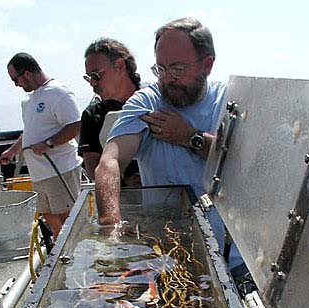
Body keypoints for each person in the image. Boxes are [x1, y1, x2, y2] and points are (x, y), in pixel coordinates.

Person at [95, 17, 242, 269]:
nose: (166, 79)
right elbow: (110, 162)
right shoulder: (148, 103)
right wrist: (111, 224)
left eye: (177, 69)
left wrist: (191, 138)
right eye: (160, 69)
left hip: (232, 256)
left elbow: (246, 163)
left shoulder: (230, 101)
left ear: (207, 65)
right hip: (170, 257)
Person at [0, 52, 82, 238]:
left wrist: (48, 144)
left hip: (60, 170)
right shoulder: (29, 101)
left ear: (27, 74)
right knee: (50, 217)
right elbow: (29, 132)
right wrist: (12, 151)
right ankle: (62, 252)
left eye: (15, 79)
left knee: (68, 220)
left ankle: (75, 255)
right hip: (39, 175)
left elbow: (75, 125)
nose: (16, 85)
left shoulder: (59, 93)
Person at [79, 38, 141, 186]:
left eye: (96, 75)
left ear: (119, 66)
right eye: (89, 78)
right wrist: (124, 180)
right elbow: (93, 167)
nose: (92, 83)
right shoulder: (92, 115)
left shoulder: (155, 102)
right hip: (123, 200)